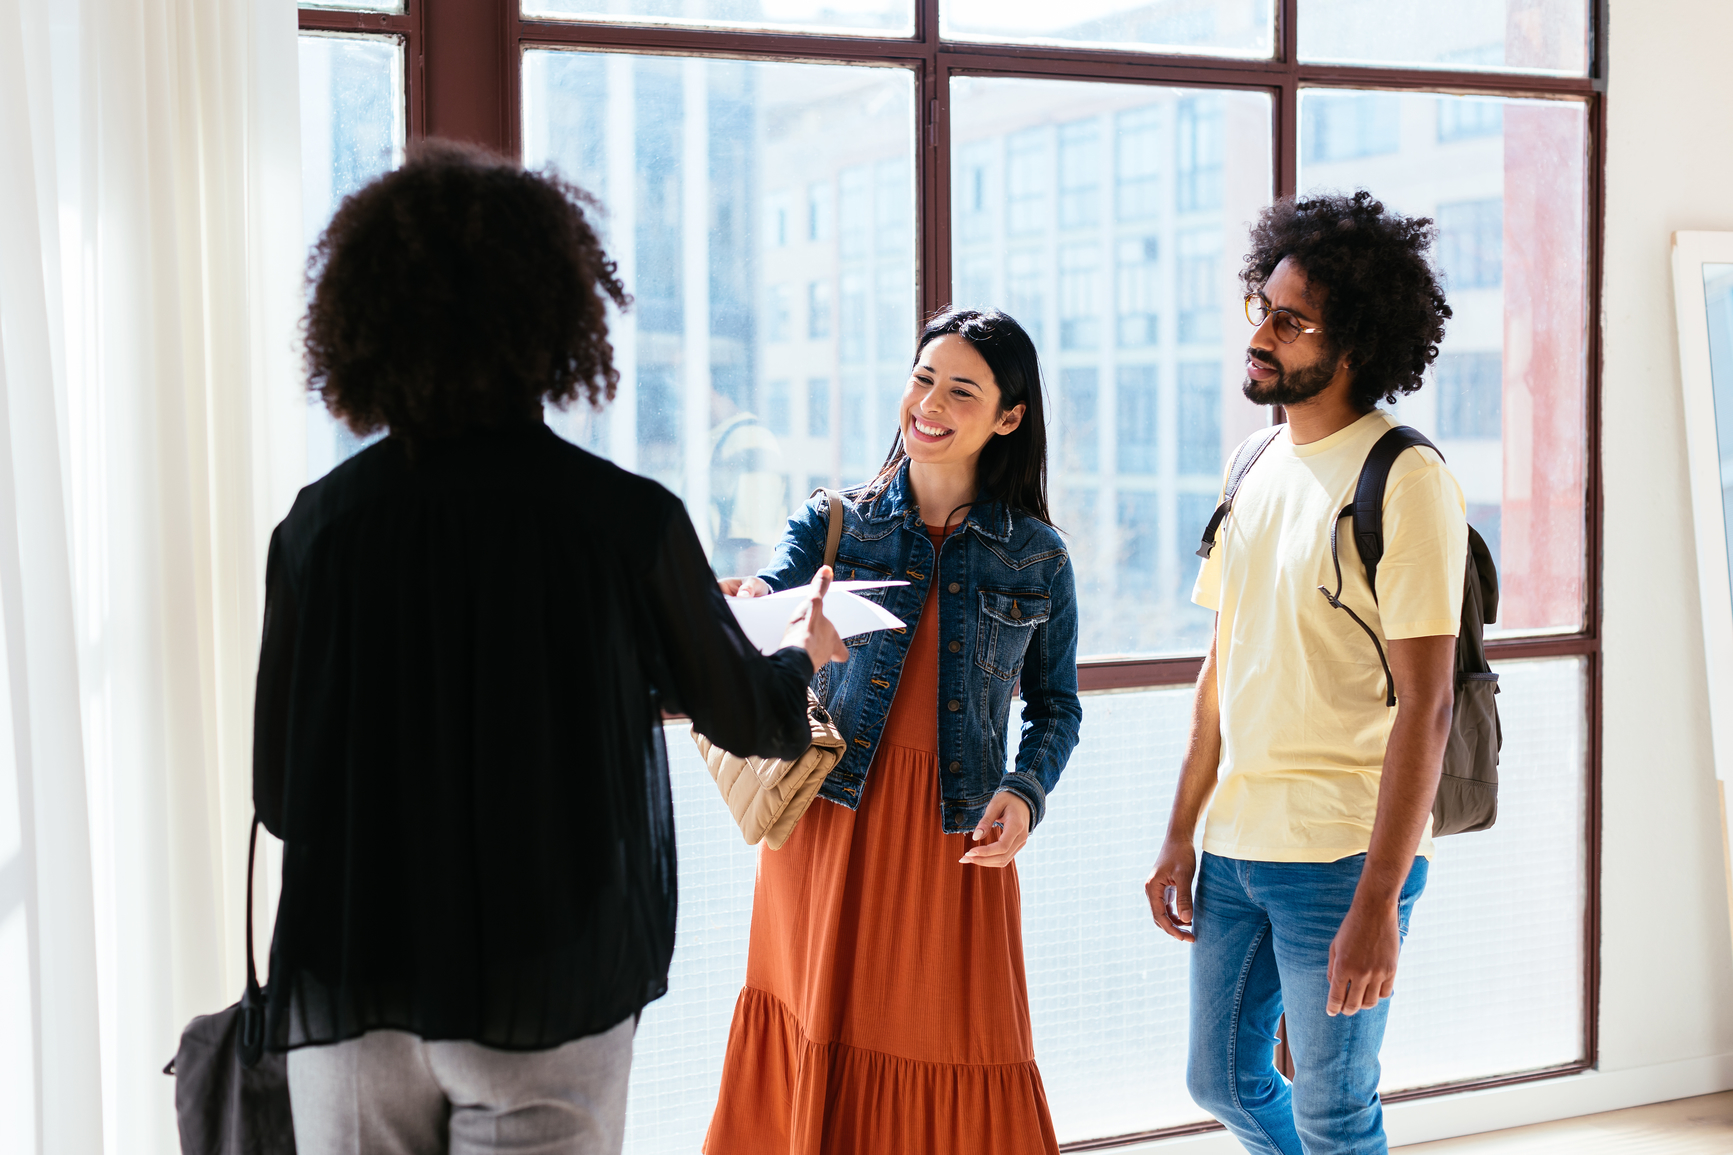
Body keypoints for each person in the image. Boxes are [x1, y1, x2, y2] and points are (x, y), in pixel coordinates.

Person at [252, 140, 848, 1155]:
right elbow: (751, 720)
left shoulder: (318, 529)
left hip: (354, 981)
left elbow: (283, 795)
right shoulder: (622, 522)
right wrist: (802, 651)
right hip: (545, 982)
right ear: (553, 317)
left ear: (363, 322)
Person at [704, 308, 1083, 1154]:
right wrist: (751, 612)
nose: (930, 403)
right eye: (921, 379)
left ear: (1008, 416)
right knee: (812, 1023)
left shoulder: (1037, 557)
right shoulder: (836, 520)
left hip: (955, 834)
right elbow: (763, 605)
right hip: (828, 822)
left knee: (966, 1041)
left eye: (959, 389)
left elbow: (1055, 705)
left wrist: (1024, 794)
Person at [1143, 190, 1464, 1155]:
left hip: (1340, 853)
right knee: (1221, 1078)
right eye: (1262, 309)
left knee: (1333, 1110)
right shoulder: (1250, 462)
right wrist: (1176, 835)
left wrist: (1379, 899)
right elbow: (1220, 671)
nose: (1263, 334)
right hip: (1238, 842)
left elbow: (1429, 703)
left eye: (1290, 321)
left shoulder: (1404, 479)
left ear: (1353, 343)